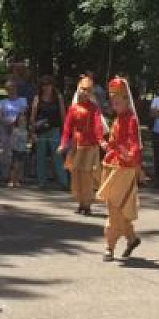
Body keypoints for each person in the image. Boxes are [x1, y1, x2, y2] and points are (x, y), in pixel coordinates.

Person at [96, 77, 143, 262]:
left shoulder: (131, 120)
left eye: (117, 100)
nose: (114, 104)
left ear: (126, 100)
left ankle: (109, 247)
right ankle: (131, 238)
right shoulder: (117, 119)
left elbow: (134, 144)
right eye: (112, 100)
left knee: (115, 209)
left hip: (124, 169)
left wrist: (128, 154)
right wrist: (105, 144)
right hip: (112, 166)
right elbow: (114, 143)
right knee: (116, 208)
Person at [60, 76, 103, 215]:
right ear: (78, 89)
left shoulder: (94, 108)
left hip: (90, 146)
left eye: (88, 90)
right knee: (76, 175)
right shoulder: (73, 108)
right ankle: (80, 202)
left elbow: (97, 125)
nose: (85, 92)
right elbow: (67, 127)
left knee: (87, 175)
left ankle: (87, 204)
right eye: (83, 89)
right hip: (76, 146)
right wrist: (63, 144)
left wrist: (100, 139)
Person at [29, 75, 66, 190]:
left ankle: (64, 182)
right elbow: (32, 117)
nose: (46, 87)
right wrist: (32, 132)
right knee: (40, 157)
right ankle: (41, 182)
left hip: (55, 129)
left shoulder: (58, 97)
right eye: (44, 85)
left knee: (57, 157)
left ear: (52, 85)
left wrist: (65, 130)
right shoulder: (37, 98)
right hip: (41, 130)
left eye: (48, 85)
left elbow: (63, 114)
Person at [0, 80, 28, 186]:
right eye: (8, 89)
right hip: (5, 128)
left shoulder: (22, 101)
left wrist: (14, 125)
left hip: (18, 130)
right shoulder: (3, 102)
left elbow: (23, 114)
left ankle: (19, 176)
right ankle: (5, 175)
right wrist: (6, 123)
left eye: (12, 88)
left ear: (16, 88)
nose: (10, 90)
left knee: (19, 152)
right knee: (6, 152)